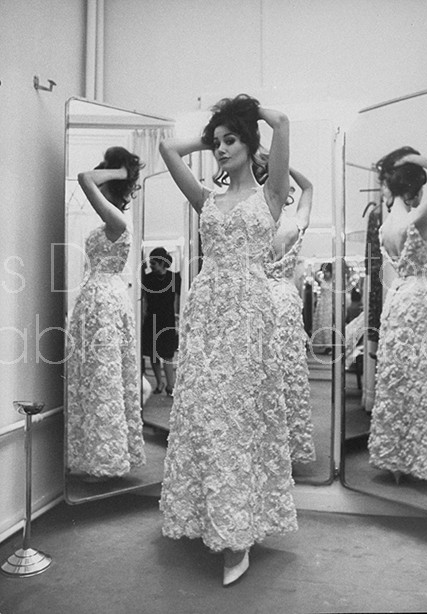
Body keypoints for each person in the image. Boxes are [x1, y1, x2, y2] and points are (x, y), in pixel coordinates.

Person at [158, 94, 297, 586]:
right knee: (205, 413)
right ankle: (209, 515)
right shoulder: (206, 198)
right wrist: (211, 131)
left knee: (240, 417)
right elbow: (167, 150)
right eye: (216, 143)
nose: (219, 149)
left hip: (250, 318)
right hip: (207, 314)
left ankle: (239, 532)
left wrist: (245, 113)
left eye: (229, 141)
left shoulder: (271, 195)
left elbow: (280, 121)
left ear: (249, 142)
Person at [367, 146, 427, 482]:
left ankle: (398, 459)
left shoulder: (384, 226)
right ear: (413, 188)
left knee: (402, 379)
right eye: (419, 188)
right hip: (423, 300)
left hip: (398, 301)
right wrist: (413, 159)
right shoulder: (417, 220)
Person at [66, 146, 146, 481]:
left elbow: (85, 179)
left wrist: (118, 172)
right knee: (92, 375)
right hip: (97, 296)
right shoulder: (110, 219)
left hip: (105, 299)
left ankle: (106, 456)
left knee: (103, 375)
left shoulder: (116, 219)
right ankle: (90, 453)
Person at [264, 167, 316, 477]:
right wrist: (285, 165)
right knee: (288, 372)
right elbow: (308, 187)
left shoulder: (256, 224)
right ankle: (287, 445)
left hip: (257, 297)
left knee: (263, 372)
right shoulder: (296, 223)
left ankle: (264, 445)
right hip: (284, 299)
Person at [142, 247, 181, 397]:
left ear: (162, 263)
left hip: (168, 320)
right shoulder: (147, 279)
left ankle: (170, 386)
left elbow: (178, 300)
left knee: (167, 355)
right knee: (153, 355)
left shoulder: (175, 278)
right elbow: (144, 300)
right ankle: (159, 383)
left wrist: (178, 319)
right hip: (151, 319)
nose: (151, 265)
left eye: (153, 263)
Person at [311, 262, 333, 354]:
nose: (325, 274)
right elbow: (314, 275)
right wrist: (320, 270)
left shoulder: (334, 281)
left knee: (328, 323)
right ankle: (324, 345)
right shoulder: (322, 281)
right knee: (321, 323)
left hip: (330, 304)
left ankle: (330, 345)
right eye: (324, 272)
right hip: (322, 304)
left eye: (327, 272)